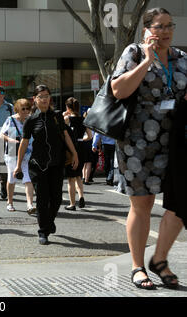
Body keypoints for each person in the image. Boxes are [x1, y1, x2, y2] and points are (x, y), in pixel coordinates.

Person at [110, 7, 187, 289]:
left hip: (175, 141)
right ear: (146, 29)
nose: (165, 32)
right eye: (159, 26)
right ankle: (138, 266)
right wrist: (147, 61)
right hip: (137, 140)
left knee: (180, 202)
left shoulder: (182, 59)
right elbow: (119, 90)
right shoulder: (133, 52)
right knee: (142, 204)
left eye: (169, 26)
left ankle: (161, 259)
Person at [14, 85, 78, 245]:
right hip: (37, 165)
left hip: (57, 163)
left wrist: (74, 153)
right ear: (34, 99)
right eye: (41, 96)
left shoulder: (57, 116)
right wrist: (18, 164)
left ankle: (49, 221)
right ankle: (43, 231)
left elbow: (65, 135)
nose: (44, 99)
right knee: (42, 200)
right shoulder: (31, 120)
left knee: (56, 199)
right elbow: (24, 142)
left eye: (47, 96)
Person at [0, 98, 36, 215]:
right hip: (12, 153)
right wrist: (10, 139)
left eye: (28, 109)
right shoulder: (10, 120)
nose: (26, 111)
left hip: (27, 153)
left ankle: (30, 204)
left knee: (28, 179)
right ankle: (9, 202)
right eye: (23, 109)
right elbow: (1, 134)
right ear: (17, 109)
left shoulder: (31, 120)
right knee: (12, 177)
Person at [64, 97, 92, 211]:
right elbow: (90, 136)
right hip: (81, 147)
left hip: (70, 149)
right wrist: (82, 139)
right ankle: (81, 196)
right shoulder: (84, 120)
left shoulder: (67, 119)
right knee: (78, 176)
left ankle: (72, 203)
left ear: (68, 108)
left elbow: (61, 129)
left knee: (71, 178)